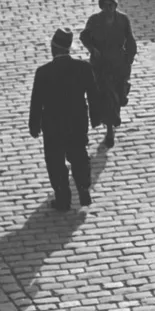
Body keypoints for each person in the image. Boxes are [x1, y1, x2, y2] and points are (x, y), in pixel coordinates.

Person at [29, 29, 102, 212]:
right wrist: (95, 117)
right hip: (77, 121)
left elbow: (37, 101)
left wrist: (34, 125)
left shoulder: (43, 72)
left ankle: (63, 198)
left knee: (55, 162)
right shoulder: (83, 68)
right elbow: (93, 94)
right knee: (79, 155)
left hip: (53, 125)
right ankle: (83, 187)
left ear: (53, 48)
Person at [80, 0, 137, 148]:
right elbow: (84, 36)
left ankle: (123, 94)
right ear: (101, 7)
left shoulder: (123, 20)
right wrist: (93, 49)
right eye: (106, 6)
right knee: (107, 97)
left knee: (117, 97)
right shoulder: (94, 21)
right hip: (101, 65)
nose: (109, 9)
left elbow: (130, 40)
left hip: (119, 64)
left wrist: (129, 58)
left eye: (112, 5)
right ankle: (110, 131)